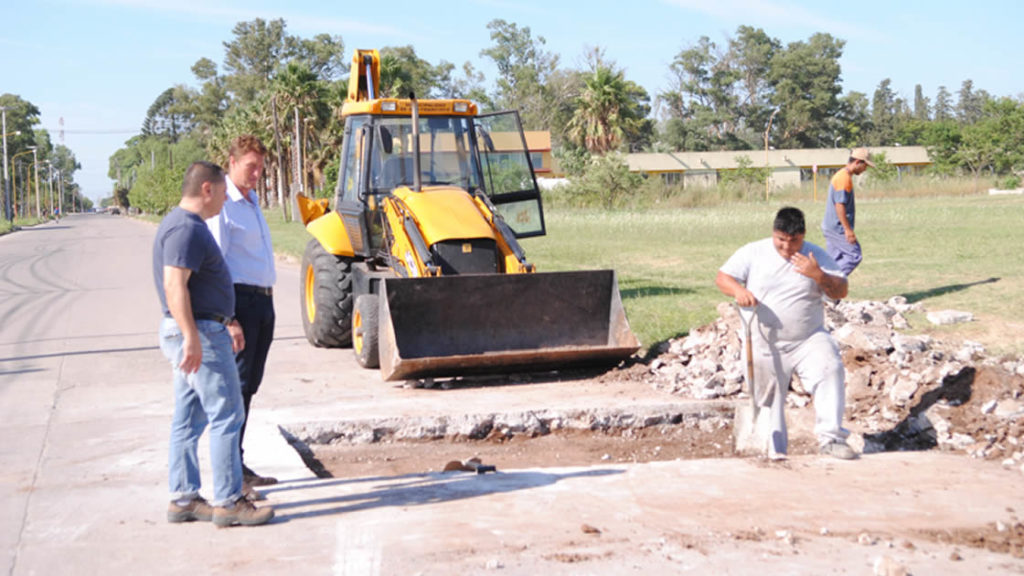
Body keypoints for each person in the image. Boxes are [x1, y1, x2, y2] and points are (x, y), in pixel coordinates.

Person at [154, 161, 274, 527]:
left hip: (197, 330)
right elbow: (175, 285)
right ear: (207, 189)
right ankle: (228, 501)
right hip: (200, 332)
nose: (225, 200)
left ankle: (184, 498)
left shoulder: (184, 225)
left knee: (189, 418)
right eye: (222, 193)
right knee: (227, 413)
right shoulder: (185, 229)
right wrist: (192, 336)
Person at [716, 207, 857, 460]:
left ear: (802, 236)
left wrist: (818, 275)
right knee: (769, 399)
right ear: (774, 233)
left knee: (830, 368)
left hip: (808, 338)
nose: (786, 247)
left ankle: (832, 439)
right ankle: (773, 449)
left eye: (794, 241)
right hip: (765, 340)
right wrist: (737, 291)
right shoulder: (753, 252)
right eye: (781, 240)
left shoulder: (815, 256)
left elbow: (841, 291)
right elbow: (722, 277)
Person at [205, 135, 278, 487]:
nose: (257, 174)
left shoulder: (252, 202)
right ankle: (232, 469)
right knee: (237, 387)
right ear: (231, 162)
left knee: (250, 386)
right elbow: (217, 265)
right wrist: (228, 318)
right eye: (251, 167)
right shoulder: (224, 206)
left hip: (263, 302)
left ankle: (238, 462)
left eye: (261, 167)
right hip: (240, 304)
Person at [821, 147, 874, 276]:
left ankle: (827, 294)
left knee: (832, 262)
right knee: (854, 255)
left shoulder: (842, 176)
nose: (865, 169)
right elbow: (840, 205)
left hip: (831, 227)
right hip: (838, 229)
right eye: (865, 165)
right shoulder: (843, 179)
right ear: (857, 162)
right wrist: (847, 230)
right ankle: (829, 284)